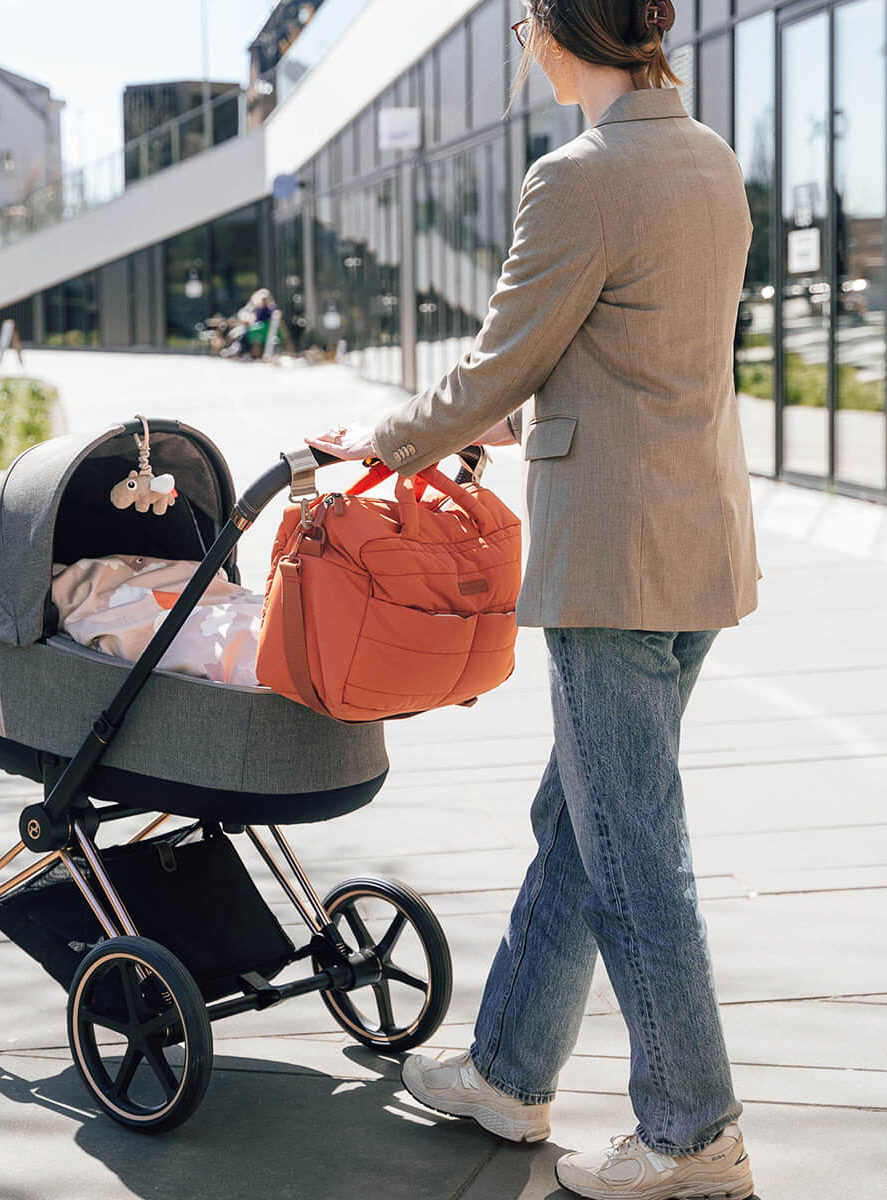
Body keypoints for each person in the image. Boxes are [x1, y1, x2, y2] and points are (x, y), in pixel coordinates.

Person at [306, 1, 759, 1196]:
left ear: (557, 30)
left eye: (521, 18)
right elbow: (626, 349)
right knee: (586, 825)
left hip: (612, 563)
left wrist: (376, 438)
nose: (519, 37)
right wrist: (516, 414)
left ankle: (691, 1132)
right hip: (696, 548)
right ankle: (508, 1072)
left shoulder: (580, 176)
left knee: (630, 852)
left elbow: (501, 359)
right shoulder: (708, 159)